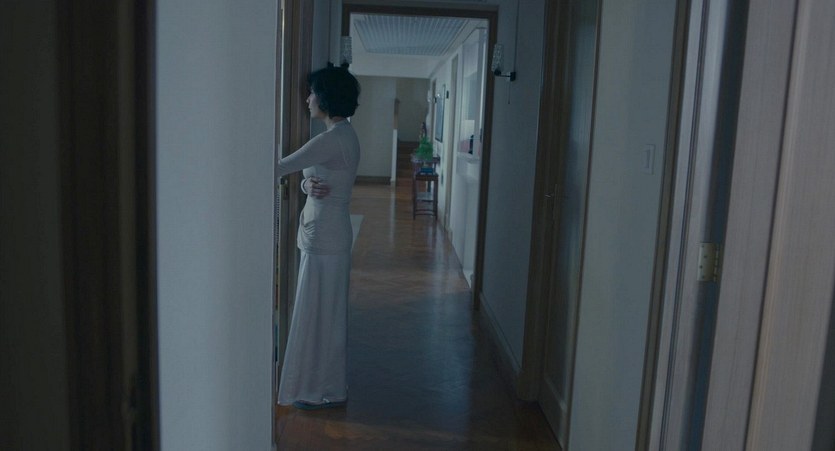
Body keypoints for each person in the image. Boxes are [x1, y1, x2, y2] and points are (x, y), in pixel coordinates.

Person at [275, 66, 361, 410]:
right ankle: (324, 385)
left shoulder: (331, 139)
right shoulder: (343, 135)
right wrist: (305, 184)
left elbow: (279, 167)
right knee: (325, 314)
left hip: (325, 237)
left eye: (312, 93)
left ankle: (316, 388)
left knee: (318, 315)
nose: (308, 99)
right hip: (328, 233)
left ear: (326, 98)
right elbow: (315, 176)